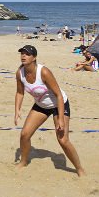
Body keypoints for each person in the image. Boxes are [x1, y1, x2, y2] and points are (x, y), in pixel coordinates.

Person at [14, 44, 85, 176]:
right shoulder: (20, 73)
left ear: (34, 57)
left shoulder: (44, 72)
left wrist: (61, 120)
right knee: (24, 135)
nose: (23, 56)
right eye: (22, 53)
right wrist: (17, 110)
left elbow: (58, 94)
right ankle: (23, 161)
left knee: (63, 140)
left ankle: (79, 169)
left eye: (27, 54)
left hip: (59, 104)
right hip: (41, 106)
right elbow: (19, 93)